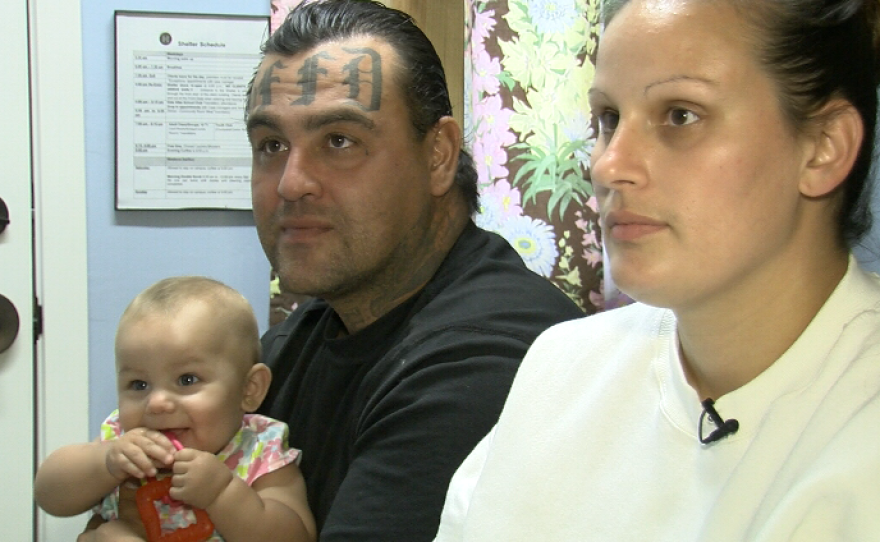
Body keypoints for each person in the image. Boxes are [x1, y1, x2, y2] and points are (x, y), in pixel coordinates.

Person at [434, 0, 880, 540]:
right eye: (608, 119)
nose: (607, 164)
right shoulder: (560, 367)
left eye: (680, 115)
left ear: (823, 148)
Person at [245, 0, 584, 540]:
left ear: (439, 156)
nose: (290, 182)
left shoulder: (485, 358)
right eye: (271, 145)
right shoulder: (303, 337)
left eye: (339, 141)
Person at [36, 276, 316, 542]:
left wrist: (222, 493)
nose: (156, 403)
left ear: (249, 389)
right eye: (138, 384)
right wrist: (105, 462)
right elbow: (49, 494)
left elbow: (296, 536)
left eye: (187, 380)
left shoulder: (260, 450)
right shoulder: (122, 439)